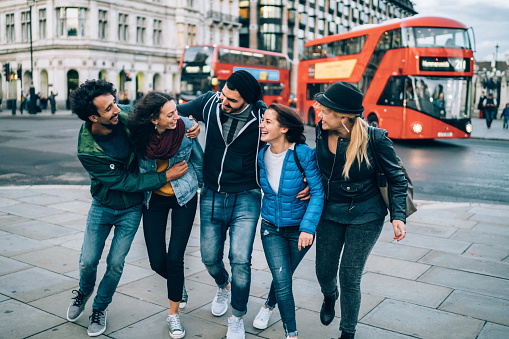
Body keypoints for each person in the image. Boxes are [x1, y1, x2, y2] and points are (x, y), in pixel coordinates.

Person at [177, 70, 309, 339]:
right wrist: (188, 123)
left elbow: (290, 137)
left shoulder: (261, 116)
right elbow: (170, 112)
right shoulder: (210, 102)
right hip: (212, 193)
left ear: (247, 100)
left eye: (232, 100)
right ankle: (223, 285)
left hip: (246, 196)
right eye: (224, 95)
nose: (224, 102)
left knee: (240, 260)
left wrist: (307, 175)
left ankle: (237, 316)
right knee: (209, 258)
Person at [67, 79, 182, 337]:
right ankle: (84, 292)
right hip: (103, 206)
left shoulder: (126, 116)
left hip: (131, 209)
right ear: (92, 117)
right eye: (108, 109)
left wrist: (191, 124)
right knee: (88, 261)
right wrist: (165, 177)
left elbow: (162, 111)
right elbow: (123, 181)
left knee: (116, 263)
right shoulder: (87, 150)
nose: (117, 110)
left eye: (115, 103)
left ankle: (100, 307)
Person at [313, 81, 407, 339]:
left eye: (325, 111)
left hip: (366, 214)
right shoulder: (322, 131)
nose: (320, 115)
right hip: (330, 212)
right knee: (324, 271)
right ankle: (329, 296)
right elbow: (320, 168)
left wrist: (398, 217)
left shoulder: (376, 139)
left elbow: (397, 178)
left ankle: (347, 333)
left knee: (350, 275)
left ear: (342, 117)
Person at [128, 92, 203, 338]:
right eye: (170, 114)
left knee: (175, 258)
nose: (176, 117)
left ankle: (173, 315)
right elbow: (117, 107)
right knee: (156, 261)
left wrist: (203, 190)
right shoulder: (139, 136)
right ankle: (178, 285)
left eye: (176, 111)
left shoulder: (186, 128)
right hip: (154, 198)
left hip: (185, 196)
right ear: (153, 119)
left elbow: (198, 162)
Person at [252, 104, 324, 339]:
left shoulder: (302, 154)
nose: (262, 125)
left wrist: (308, 228)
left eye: (268, 121)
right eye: (263, 120)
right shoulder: (261, 154)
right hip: (271, 227)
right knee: (283, 279)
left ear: (284, 128)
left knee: (282, 275)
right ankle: (291, 334)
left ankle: (269, 305)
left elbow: (318, 192)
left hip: (299, 230)